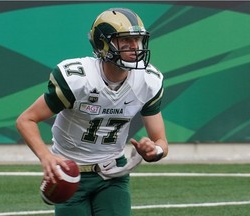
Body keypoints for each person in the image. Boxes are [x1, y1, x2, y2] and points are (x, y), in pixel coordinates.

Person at [16, 7, 168, 216]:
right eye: (126, 41)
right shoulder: (78, 79)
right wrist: (46, 157)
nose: (135, 47)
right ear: (102, 44)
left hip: (113, 172)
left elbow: (161, 141)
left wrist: (154, 151)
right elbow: (26, 120)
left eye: (138, 40)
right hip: (70, 173)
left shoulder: (148, 81)